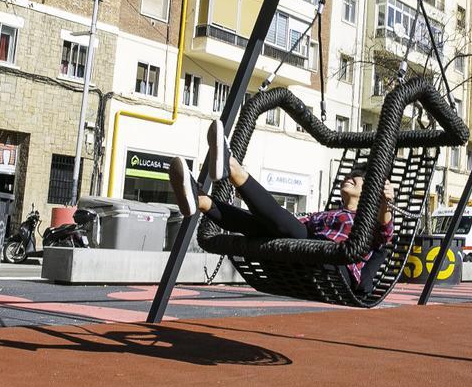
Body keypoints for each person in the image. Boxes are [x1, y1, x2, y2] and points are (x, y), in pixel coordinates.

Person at [169, 121, 396, 290]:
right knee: (263, 225)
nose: (350, 176)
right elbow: (285, 224)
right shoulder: (330, 214)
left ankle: (232, 168)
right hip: (302, 257)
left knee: (291, 228)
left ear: (371, 191)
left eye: (358, 177)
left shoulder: (367, 222)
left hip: (333, 268)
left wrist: (386, 203)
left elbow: (385, 234)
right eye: (350, 173)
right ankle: (202, 200)